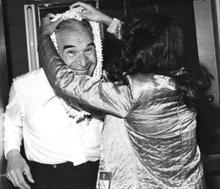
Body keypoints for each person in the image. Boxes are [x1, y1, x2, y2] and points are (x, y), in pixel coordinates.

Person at [40, 2, 212, 189]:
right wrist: (106, 20)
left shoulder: (135, 92)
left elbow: (64, 81)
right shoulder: (183, 78)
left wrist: (44, 37)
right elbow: (149, 44)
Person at [3, 9, 106, 189]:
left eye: (88, 50)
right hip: (49, 179)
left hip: (99, 176)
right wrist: (12, 155)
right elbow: (12, 122)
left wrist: (107, 20)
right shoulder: (25, 86)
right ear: (53, 51)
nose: (83, 63)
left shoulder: (106, 86)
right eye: (71, 52)